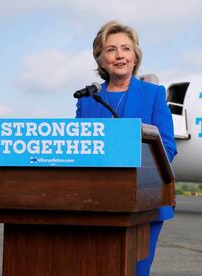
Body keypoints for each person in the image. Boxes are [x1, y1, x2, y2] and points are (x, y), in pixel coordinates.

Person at [75, 20, 177, 275]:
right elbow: (76, 148)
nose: (119, 55)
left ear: (135, 56)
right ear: (100, 60)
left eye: (126, 49)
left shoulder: (153, 94)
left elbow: (167, 147)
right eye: (111, 50)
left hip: (145, 203)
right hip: (96, 204)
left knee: (135, 271)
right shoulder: (88, 100)